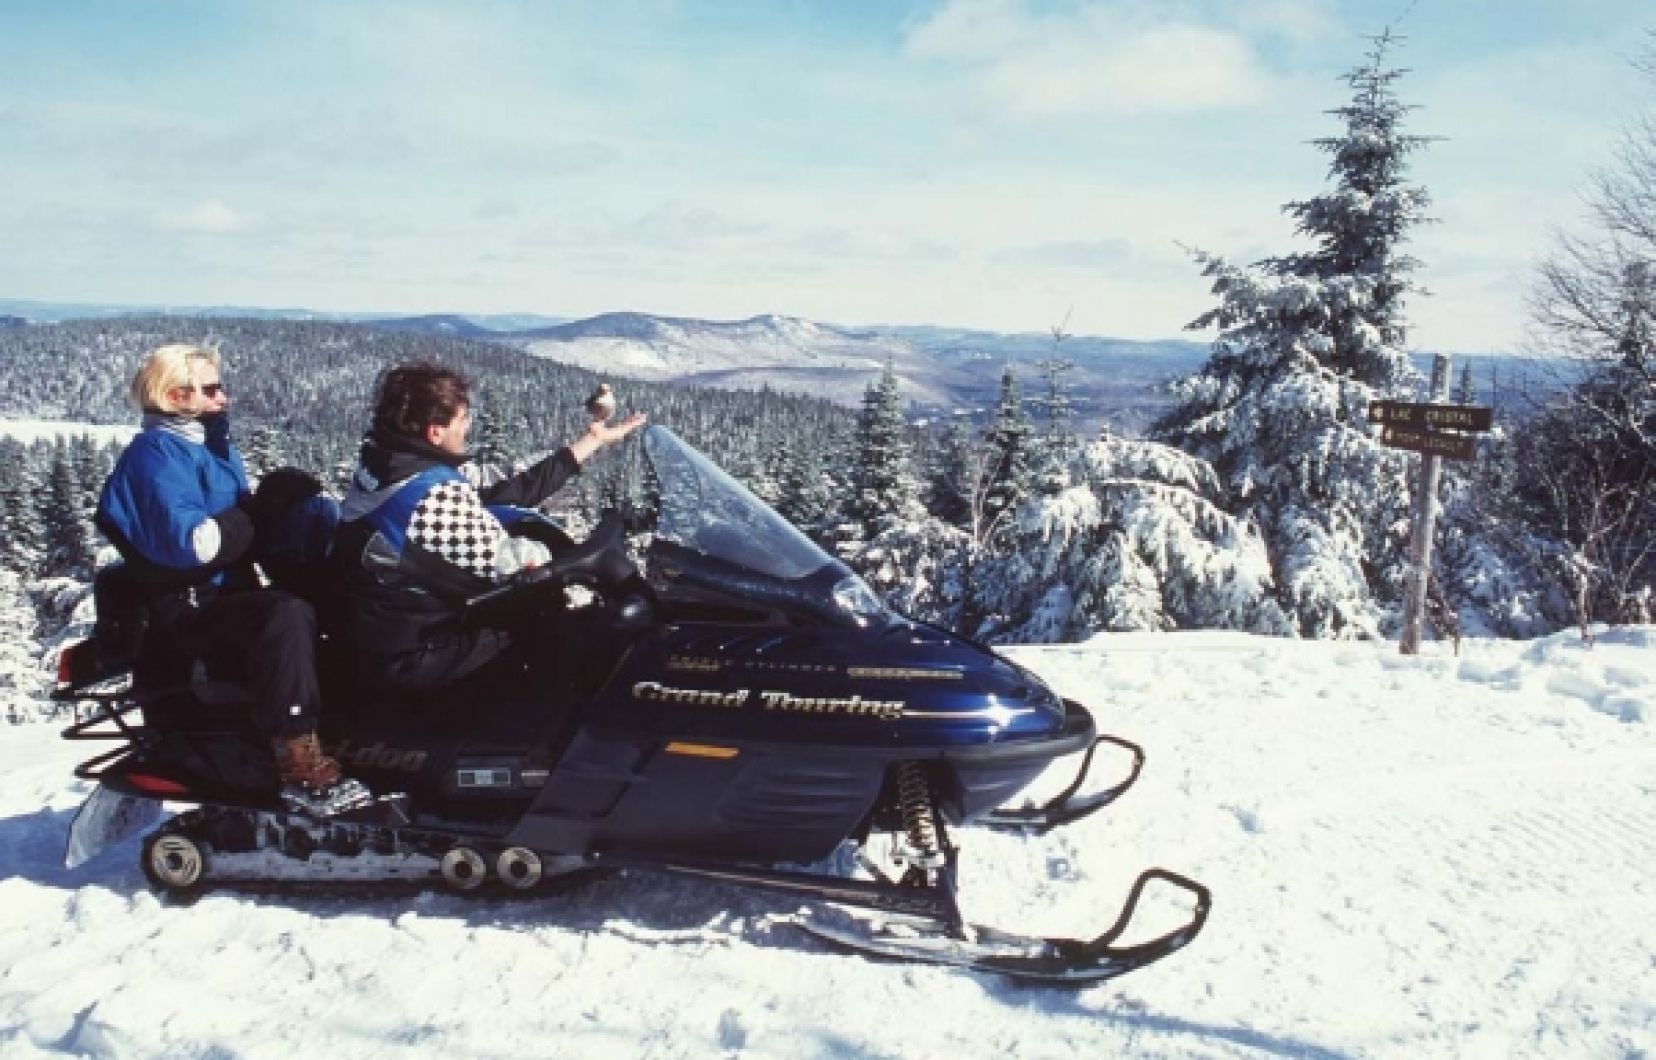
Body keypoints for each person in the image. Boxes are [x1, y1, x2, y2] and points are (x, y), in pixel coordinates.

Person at [95, 344, 370, 816]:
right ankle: (298, 764)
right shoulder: (155, 456)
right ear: (176, 395)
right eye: (212, 389)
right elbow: (192, 544)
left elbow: (242, 530)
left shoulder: (211, 447)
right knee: (286, 615)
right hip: (187, 608)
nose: (224, 398)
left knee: (329, 597)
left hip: (227, 592)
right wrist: (251, 514)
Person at [335, 362, 645, 691]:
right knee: (550, 622)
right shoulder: (430, 498)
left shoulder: (391, 464)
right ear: (435, 432)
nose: (467, 426)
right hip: (413, 653)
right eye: (462, 419)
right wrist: (568, 555)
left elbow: (505, 484)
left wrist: (591, 442)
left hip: (386, 631)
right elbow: (508, 564)